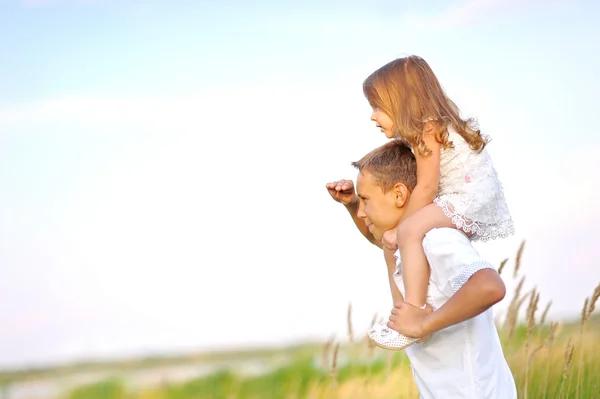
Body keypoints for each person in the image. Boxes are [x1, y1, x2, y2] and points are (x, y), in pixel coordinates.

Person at [325, 140, 517, 398]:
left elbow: (489, 287)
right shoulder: (407, 248)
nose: (362, 212)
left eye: (366, 201)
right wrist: (351, 204)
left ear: (399, 195)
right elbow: (382, 241)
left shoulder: (436, 239)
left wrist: (424, 323)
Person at [362, 55, 514, 331]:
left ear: (401, 102)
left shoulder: (427, 129)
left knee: (408, 233)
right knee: (410, 233)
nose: (372, 115)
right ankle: (414, 306)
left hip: (464, 197)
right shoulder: (428, 128)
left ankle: (415, 310)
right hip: (468, 195)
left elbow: (427, 187)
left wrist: (402, 228)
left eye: (377, 106)